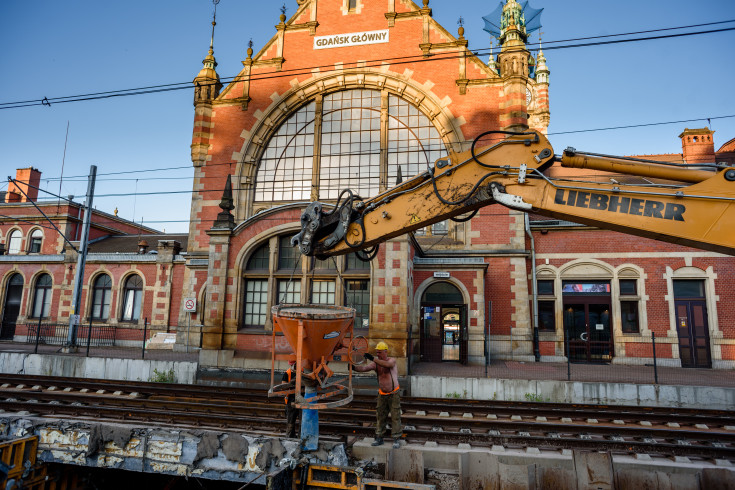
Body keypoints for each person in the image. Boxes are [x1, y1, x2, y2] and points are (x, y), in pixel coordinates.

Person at [354, 341, 403, 449]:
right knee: (380, 416)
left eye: (380, 352)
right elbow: (364, 368)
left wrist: (372, 358)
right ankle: (379, 437)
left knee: (395, 416)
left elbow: (387, 365)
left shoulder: (391, 361)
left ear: (386, 352)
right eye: (377, 352)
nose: (378, 355)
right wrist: (353, 367)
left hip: (394, 393)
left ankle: (396, 438)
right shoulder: (376, 363)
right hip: (382, 394)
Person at [282, 361, 299, 438]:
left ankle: (301, 435)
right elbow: (283, 386)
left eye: (293, 364)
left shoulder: (303, 372)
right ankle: (290, 435)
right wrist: (291, 383)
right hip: (291, 399)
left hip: (301, 398)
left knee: (302, 418)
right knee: (291, 419)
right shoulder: (287, 373)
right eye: (291, 364)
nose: (292, 366)